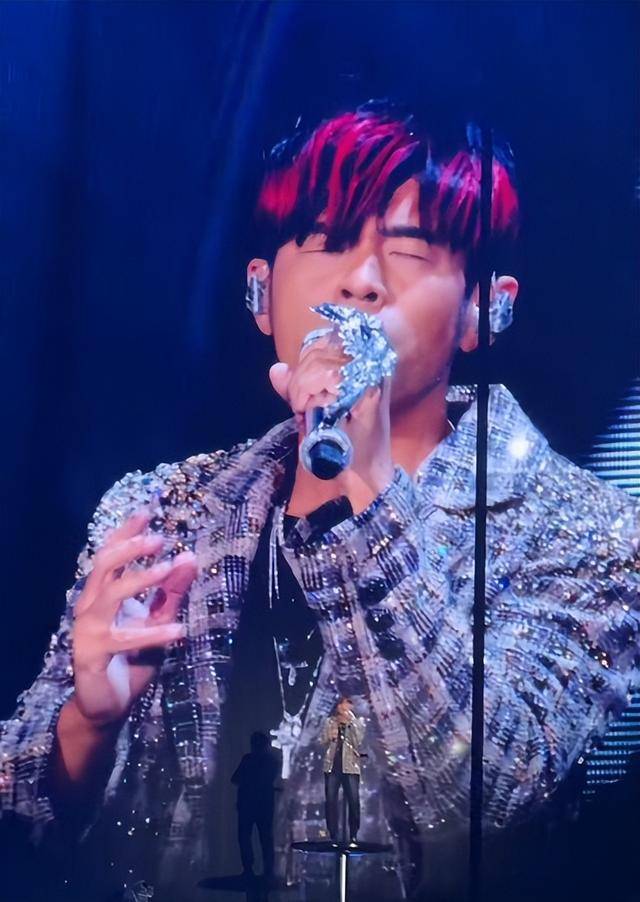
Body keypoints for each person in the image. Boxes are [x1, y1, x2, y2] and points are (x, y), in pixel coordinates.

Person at [1, 103, 639, 902]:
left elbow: (485, 795)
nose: (360, 281)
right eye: (327, 240)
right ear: (260, 292)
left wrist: (365, 496)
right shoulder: (165, 508)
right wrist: (85, 727)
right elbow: (21, 812)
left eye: (409, 249)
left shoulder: (587, 531)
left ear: (484, 308)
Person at [231, 731, 280, 880]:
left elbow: (235, 779)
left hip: (248, 805)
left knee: (247, 837)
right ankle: (267, 871)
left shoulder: (249, 760)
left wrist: (248, 781)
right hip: (262, 805)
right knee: (265, 838)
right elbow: (236, 779)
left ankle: (250, 869)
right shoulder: (271, 761)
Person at [322, 697, 365, 846]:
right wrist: (329, 735)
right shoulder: (330, 722)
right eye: (343, 703)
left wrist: (351, 722)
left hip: (350, 767)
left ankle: (353, 835)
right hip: (332, 766)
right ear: (338, 705)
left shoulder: (357, 722)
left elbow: (358, 741)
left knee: (353, 801)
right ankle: (333, 835)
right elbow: (322, 741)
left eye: (348, 704)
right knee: (330, 801)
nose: (345, 706)